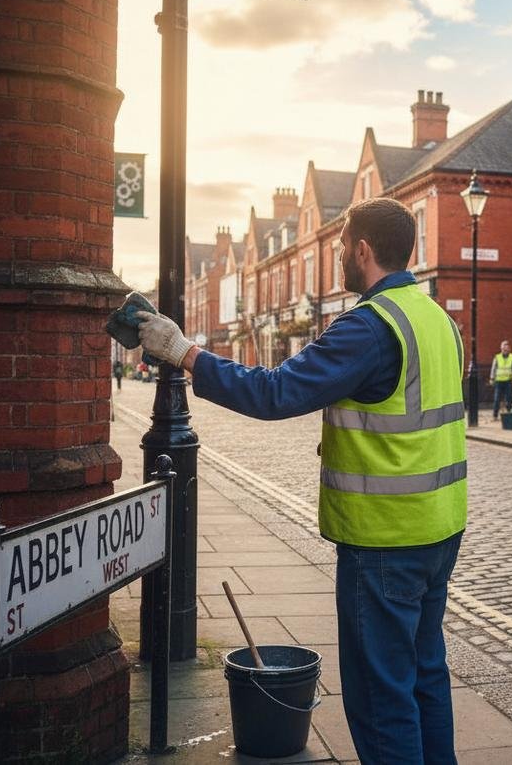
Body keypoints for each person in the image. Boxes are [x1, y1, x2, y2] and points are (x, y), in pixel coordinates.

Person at [138, 198, 466, 765]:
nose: (339, 254)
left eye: (341, 245)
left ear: (362, 250)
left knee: (380, 695)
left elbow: (273, 392)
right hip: (439, 530)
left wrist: (182, 351)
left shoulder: (369, 326)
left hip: (384, 540)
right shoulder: (438, 319)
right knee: (424, 677)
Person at [489, 339, 512, 420]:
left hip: (508, 380)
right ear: (501, 349)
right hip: (499, 381)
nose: (505, 350)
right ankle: (495, 415)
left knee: (509, 398)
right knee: (497, 399)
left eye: (506, 348)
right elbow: (493, 368)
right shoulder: (497, 357)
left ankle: (509, 413)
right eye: (504, 348)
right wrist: (492, 378)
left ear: (509, 349)